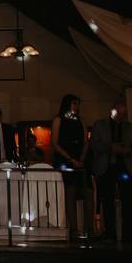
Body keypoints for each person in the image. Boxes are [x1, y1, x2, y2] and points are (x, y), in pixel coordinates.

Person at [90, 99, 132, 243]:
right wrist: (110, 147)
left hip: (124, 166)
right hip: (106, 167)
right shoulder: (100, 125)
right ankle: (110, 233)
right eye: (118, 112)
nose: (120, 116)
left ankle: (128, 234)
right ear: (112, 110)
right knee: (107, 201)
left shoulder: (130, 127)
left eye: (123, 113)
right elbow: (94, 144)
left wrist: (126, 150)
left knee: (127, 200)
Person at [51, 94, 91, 240]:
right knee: (70, 191)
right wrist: (71, 159)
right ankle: (73, 228)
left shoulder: (81, 120)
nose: (77, 107)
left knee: (87, 191)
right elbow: (54, 143)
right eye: (74, 103)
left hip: (79, 158)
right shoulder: (58, 119)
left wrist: (81, 158)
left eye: (78, 104)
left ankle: (89, 226)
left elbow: (86, 141)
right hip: (65, 158)